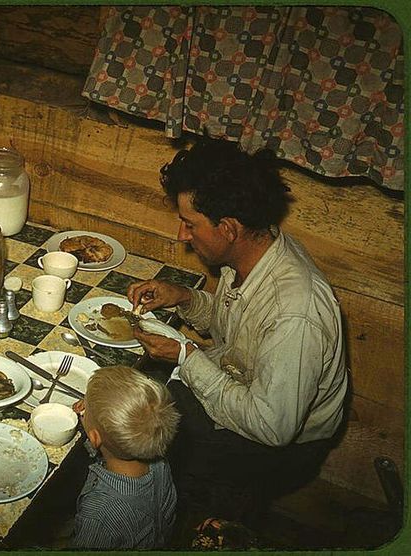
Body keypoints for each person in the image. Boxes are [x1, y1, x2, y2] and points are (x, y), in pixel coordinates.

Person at [127, 136, 348, 525]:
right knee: (139, 391)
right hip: (244, 388)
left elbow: (271, 427)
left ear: (228, 227)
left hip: (279, 445)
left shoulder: (296, 311)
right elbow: (240, 329)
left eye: (189, 224)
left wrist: (185, 356)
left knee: (144, 434)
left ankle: (188, 522)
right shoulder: (254, 251)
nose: (182, 235)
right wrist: (182, 298)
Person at [70, 366, 180, 549]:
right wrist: (91, 423)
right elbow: (110, 448)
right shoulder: (159, 463)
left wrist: (91, 425)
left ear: (95, 437)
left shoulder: (99, 516)